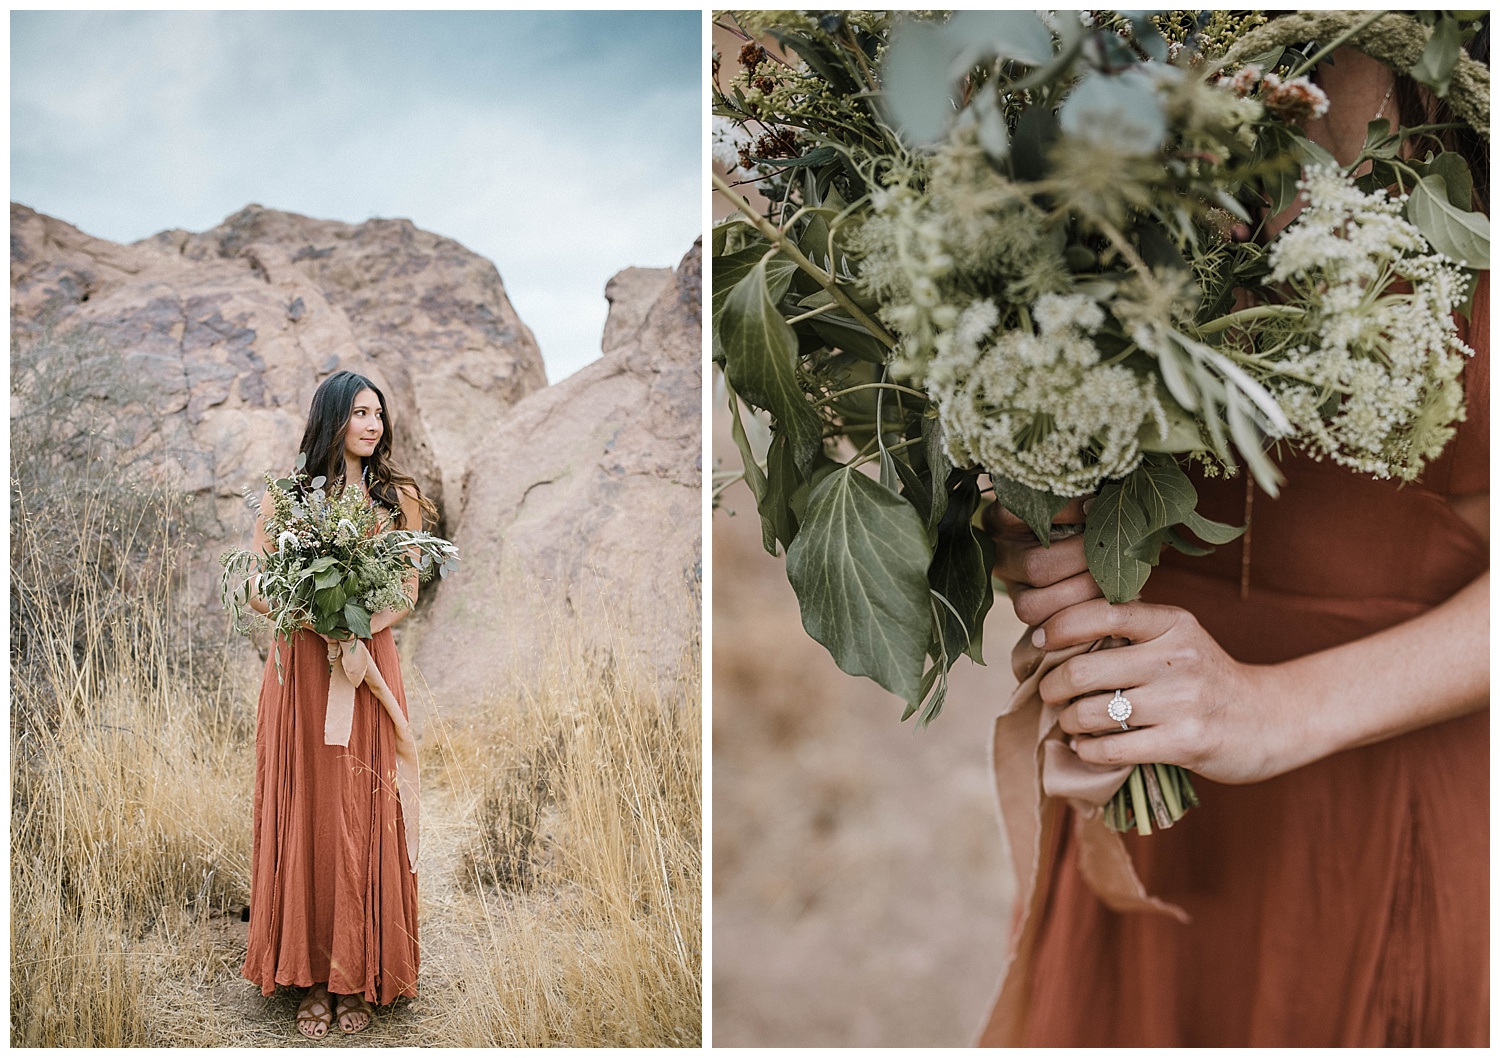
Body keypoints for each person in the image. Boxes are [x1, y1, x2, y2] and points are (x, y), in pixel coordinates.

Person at [978, 44, 1488, 1046]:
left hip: (1383, 798)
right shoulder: (1102, 62)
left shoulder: (1467, 99)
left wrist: (1271, 707)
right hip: (1147, 765)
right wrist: (1040, 523)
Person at [240, 370, 438, 1038]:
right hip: (302, 663)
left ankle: (358, 973)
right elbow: (258, 585)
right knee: (311, 813)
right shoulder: (289, 495)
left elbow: (407, 589)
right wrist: (316, 614)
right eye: (359, 412)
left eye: (378, 413)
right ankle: (313, 978)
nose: (373, 424)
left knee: (360, 807)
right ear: (332, 418)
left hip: (366, 662)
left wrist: (355, 626)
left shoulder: (397, 498)